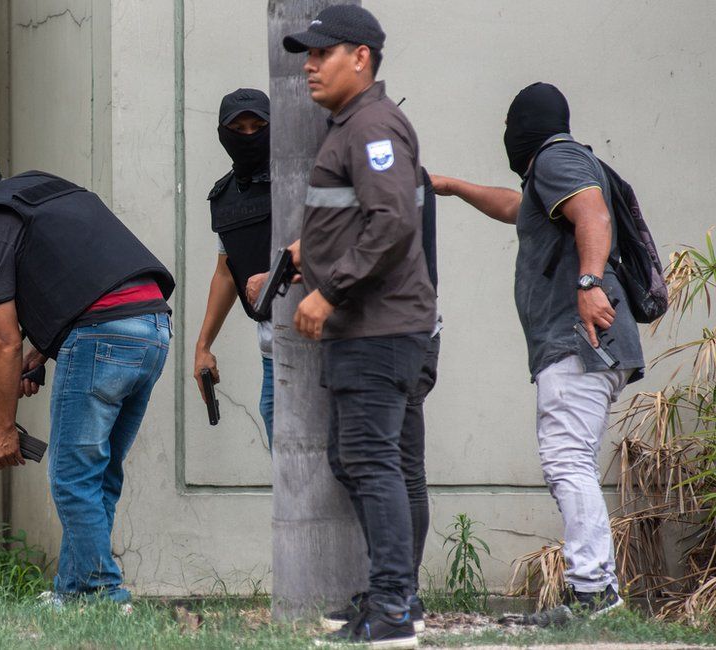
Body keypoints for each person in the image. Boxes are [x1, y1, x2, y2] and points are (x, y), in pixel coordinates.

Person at [0, 140, 175, 605]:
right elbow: (83, 273)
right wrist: (43, 353)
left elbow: (4, 340)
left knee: (71, 478)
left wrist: (1, 428)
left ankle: (106, 596)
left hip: (101, 336)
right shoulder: (43, 190)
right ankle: (73, 593)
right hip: (154, 328)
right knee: (98, 476)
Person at [431, 82, 644, 624]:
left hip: (580, 337)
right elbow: (518, 209)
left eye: (511, 123)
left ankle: (595, 592)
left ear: (527, 124)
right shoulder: (554, 171)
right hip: (588, 341)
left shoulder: (556, 157)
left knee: (566, 460)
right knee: (571, 461)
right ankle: (595, 592)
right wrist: (452, 186)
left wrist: (589, 279)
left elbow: (592, 215)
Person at [281, 5, 436, 647]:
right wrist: (308, 252)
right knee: (383, 464)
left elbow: (392, 221)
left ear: (362, 57)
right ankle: (399, 597)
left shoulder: (372, 125)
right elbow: (363, 216)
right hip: (386, 325)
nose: (310, 66)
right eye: (307, 55)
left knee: (372, 463)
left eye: (323, 53)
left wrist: (328, 289)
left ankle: (394, 609)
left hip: (377, 327)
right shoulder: (354, 125)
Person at [193, 88, 275, 448]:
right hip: (273, 353)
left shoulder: (302, 177)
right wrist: (203, 345)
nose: (248, 136)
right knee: (289, 480)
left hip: (325, 348)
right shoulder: (225, 196)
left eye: (258, 126)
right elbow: (227, 272)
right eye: (238, 128)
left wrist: (278, 275)